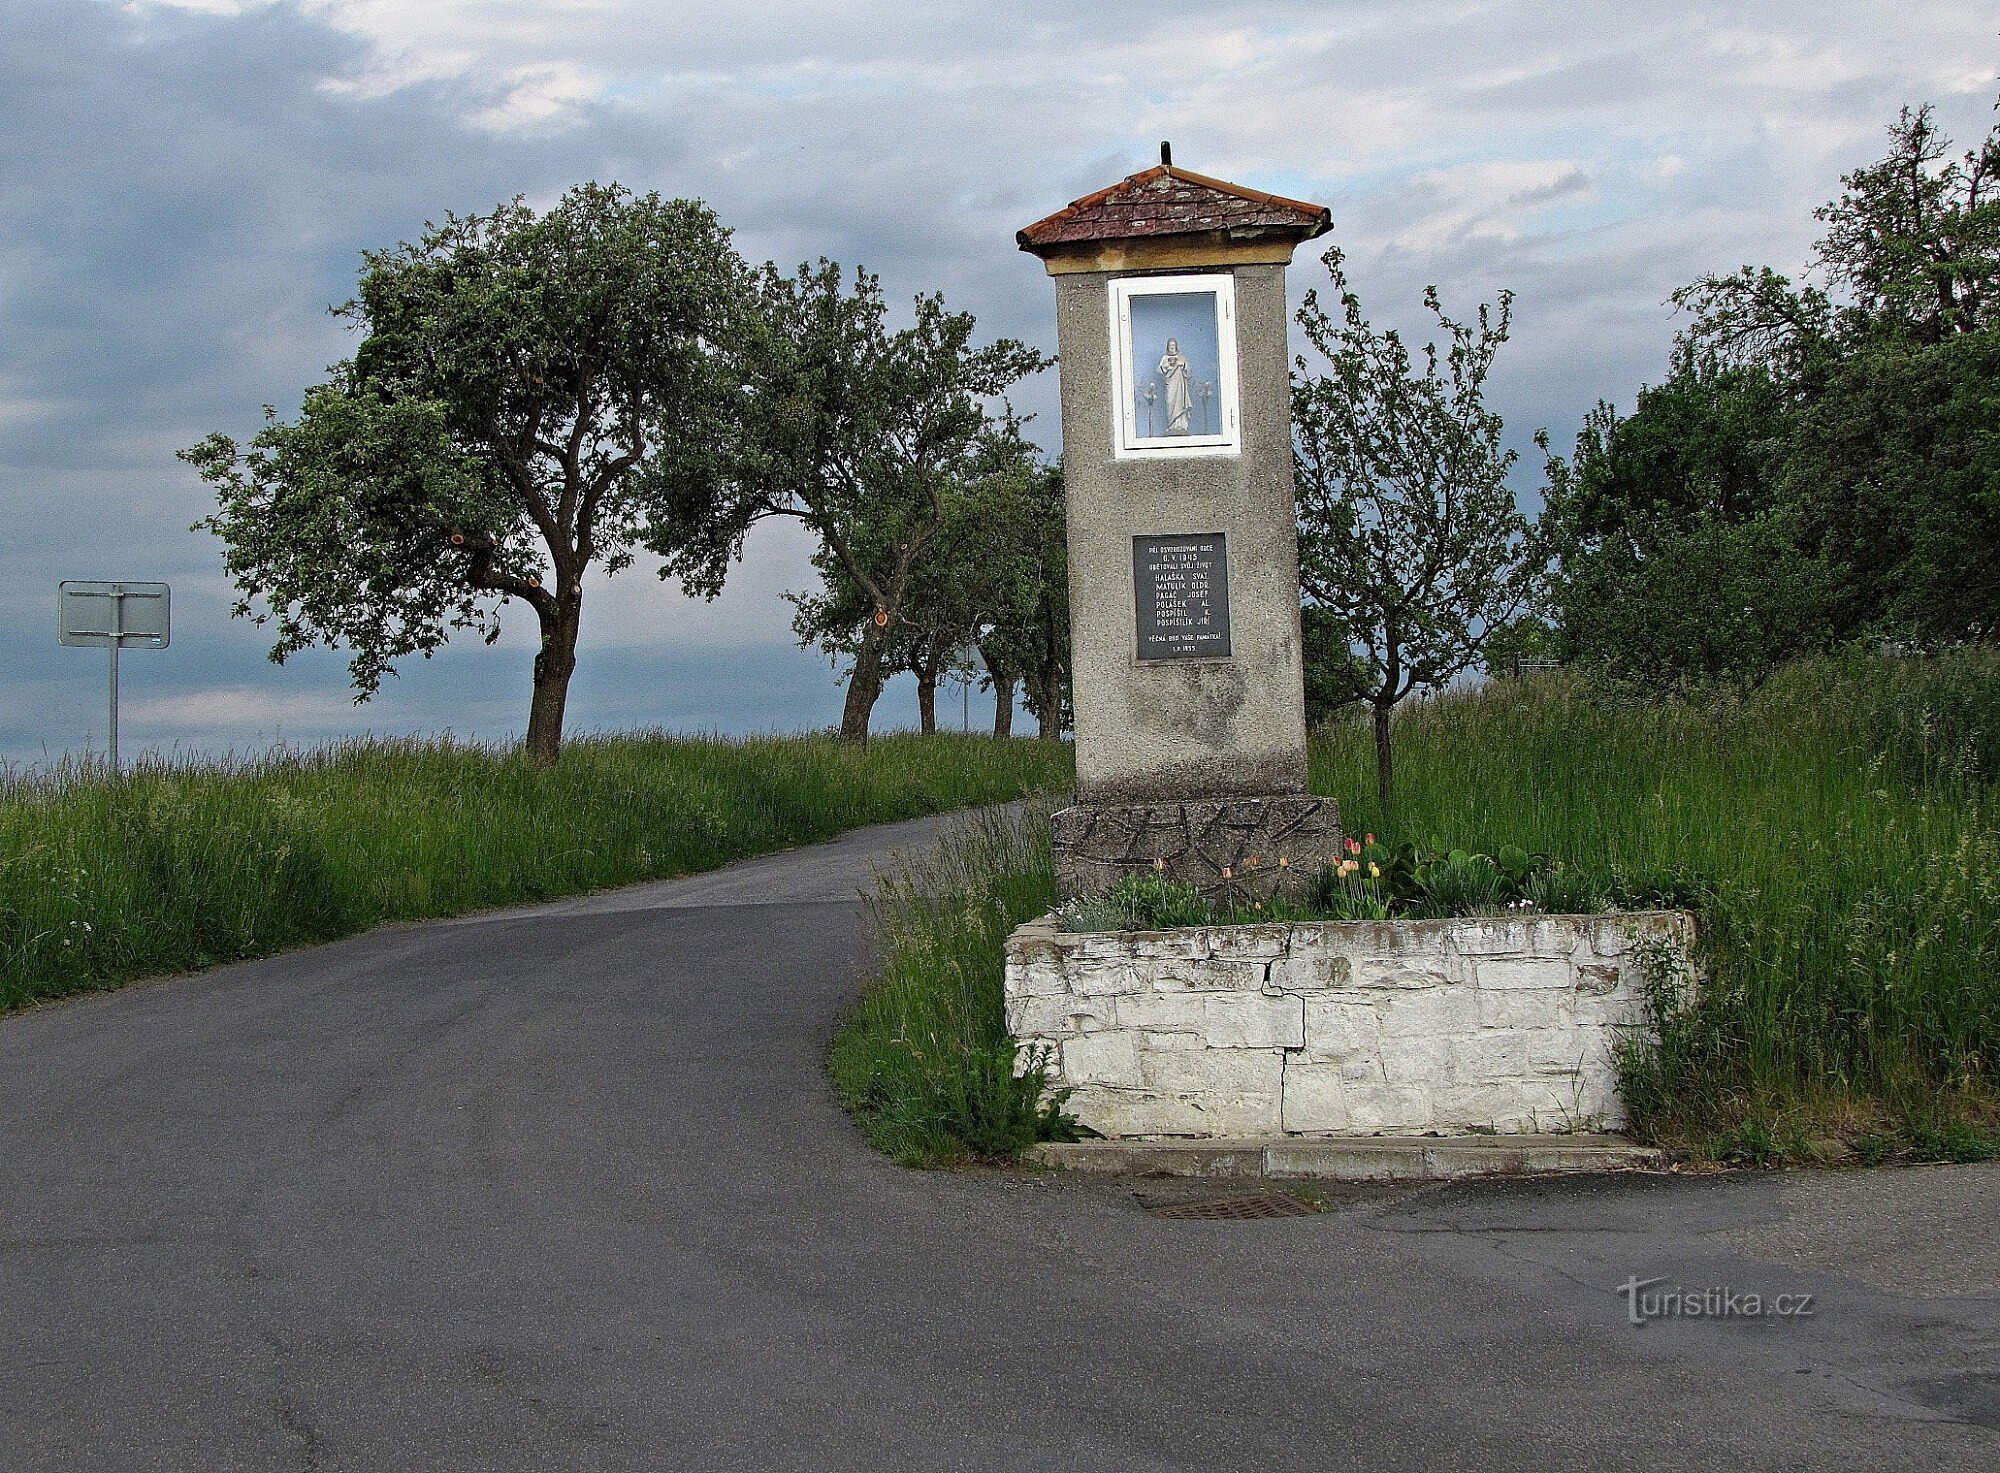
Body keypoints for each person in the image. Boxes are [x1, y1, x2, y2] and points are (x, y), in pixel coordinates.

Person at [1157, 338, 1193, 435]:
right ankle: (1172, 425)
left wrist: (1182, 365)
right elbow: (1159, 371)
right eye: (1170, 346)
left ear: (1176, 346)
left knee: (1180, 403)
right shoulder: (1164, 358)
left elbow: (1188, 371)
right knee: (1170, 401)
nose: (1172, 347)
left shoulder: (1181, 357)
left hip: (1180, 385)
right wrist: (1167, 366)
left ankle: (1180, 425)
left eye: (1173, 346)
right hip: (1170, 384)